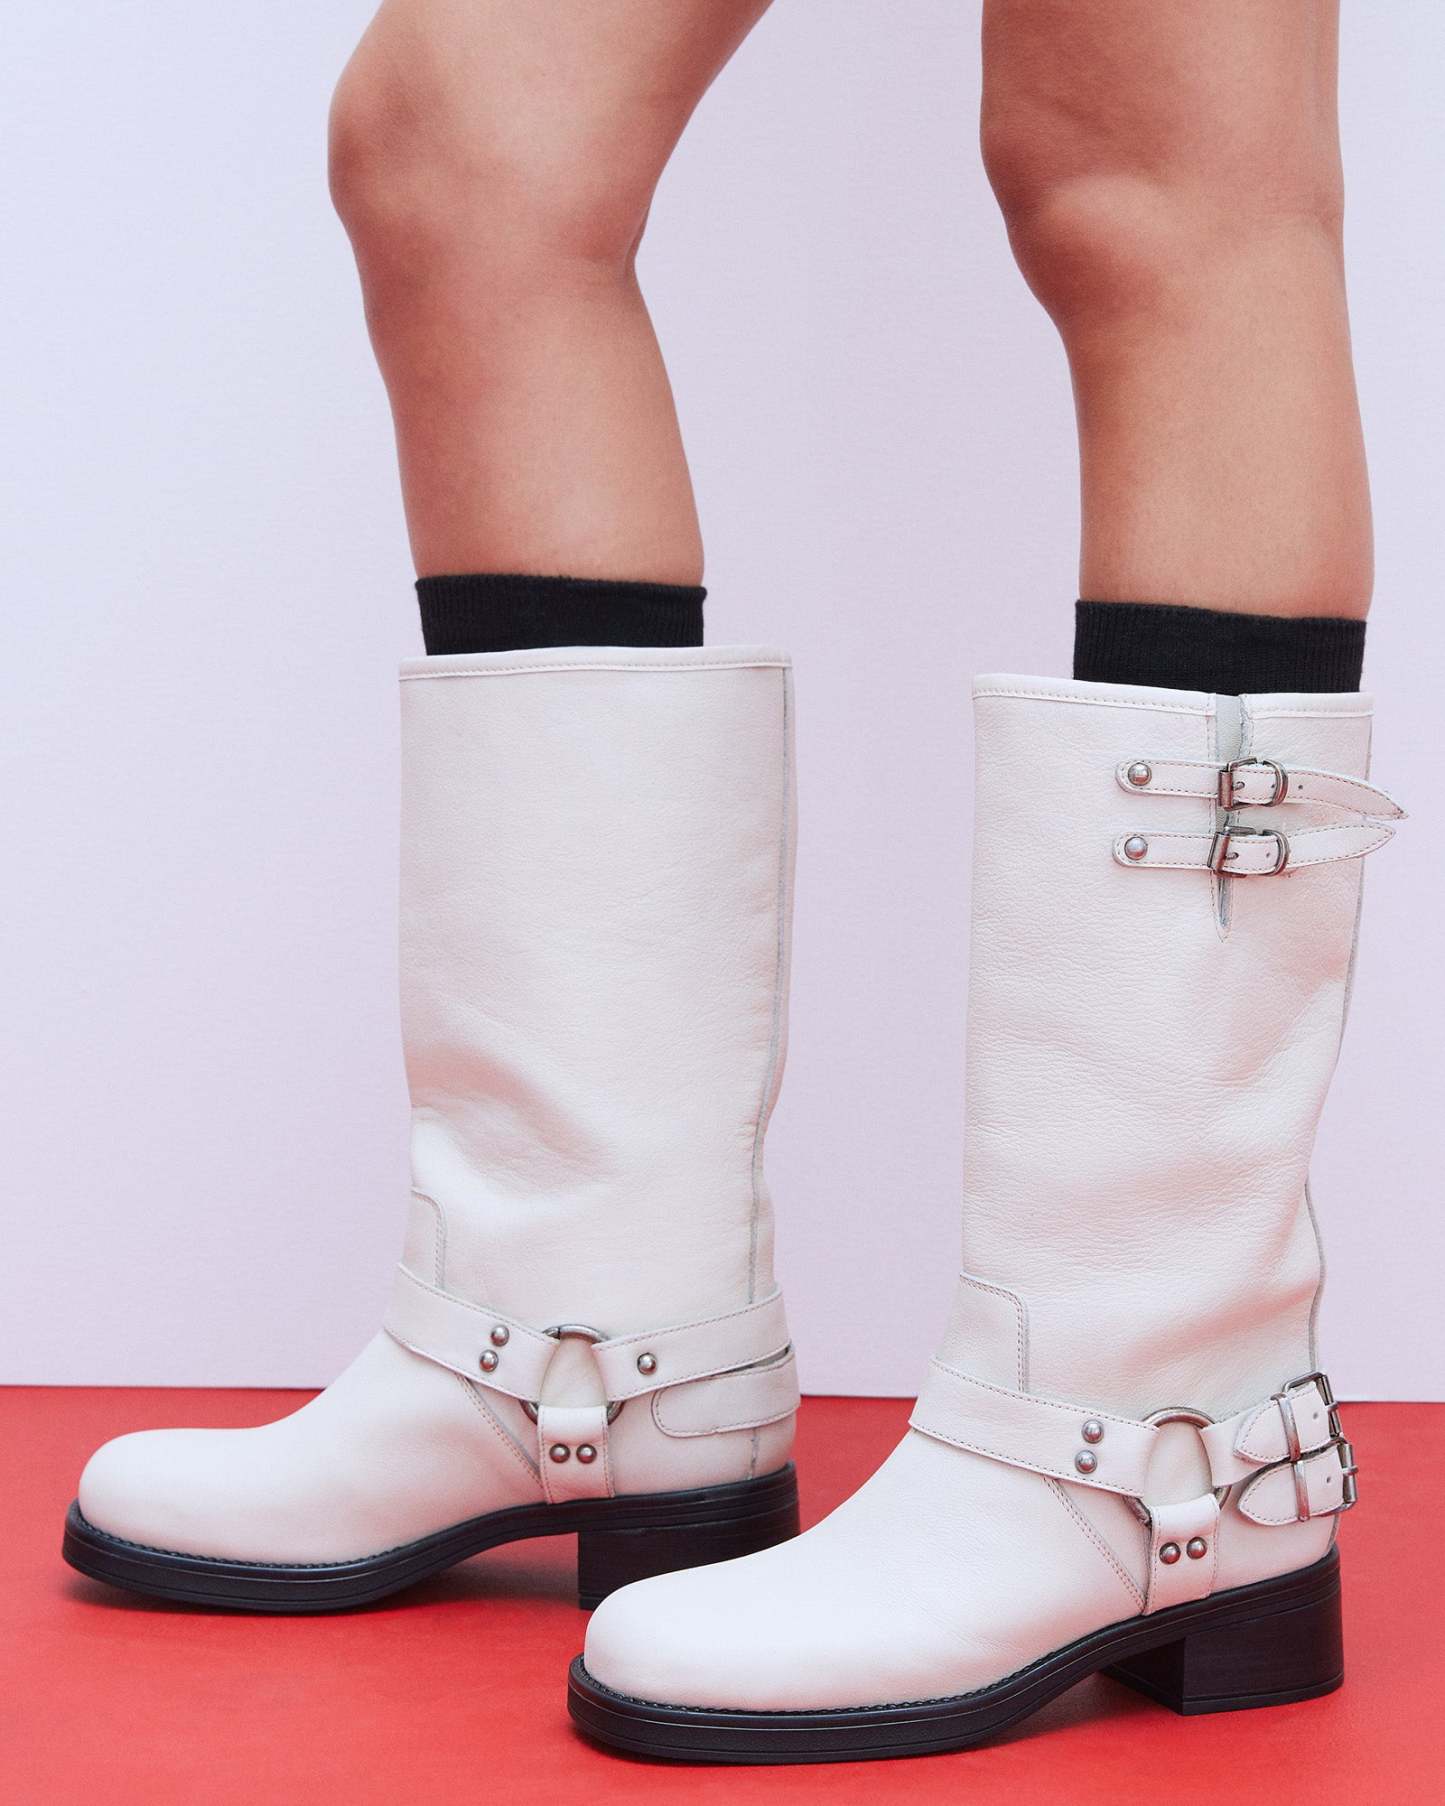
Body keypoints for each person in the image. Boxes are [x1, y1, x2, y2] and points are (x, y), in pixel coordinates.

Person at [65, 0, 1399, 1762]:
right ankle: (581, 1344)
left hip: (1136, 1442)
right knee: (458, 145)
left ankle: (1150, 1437)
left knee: (1137, 178)